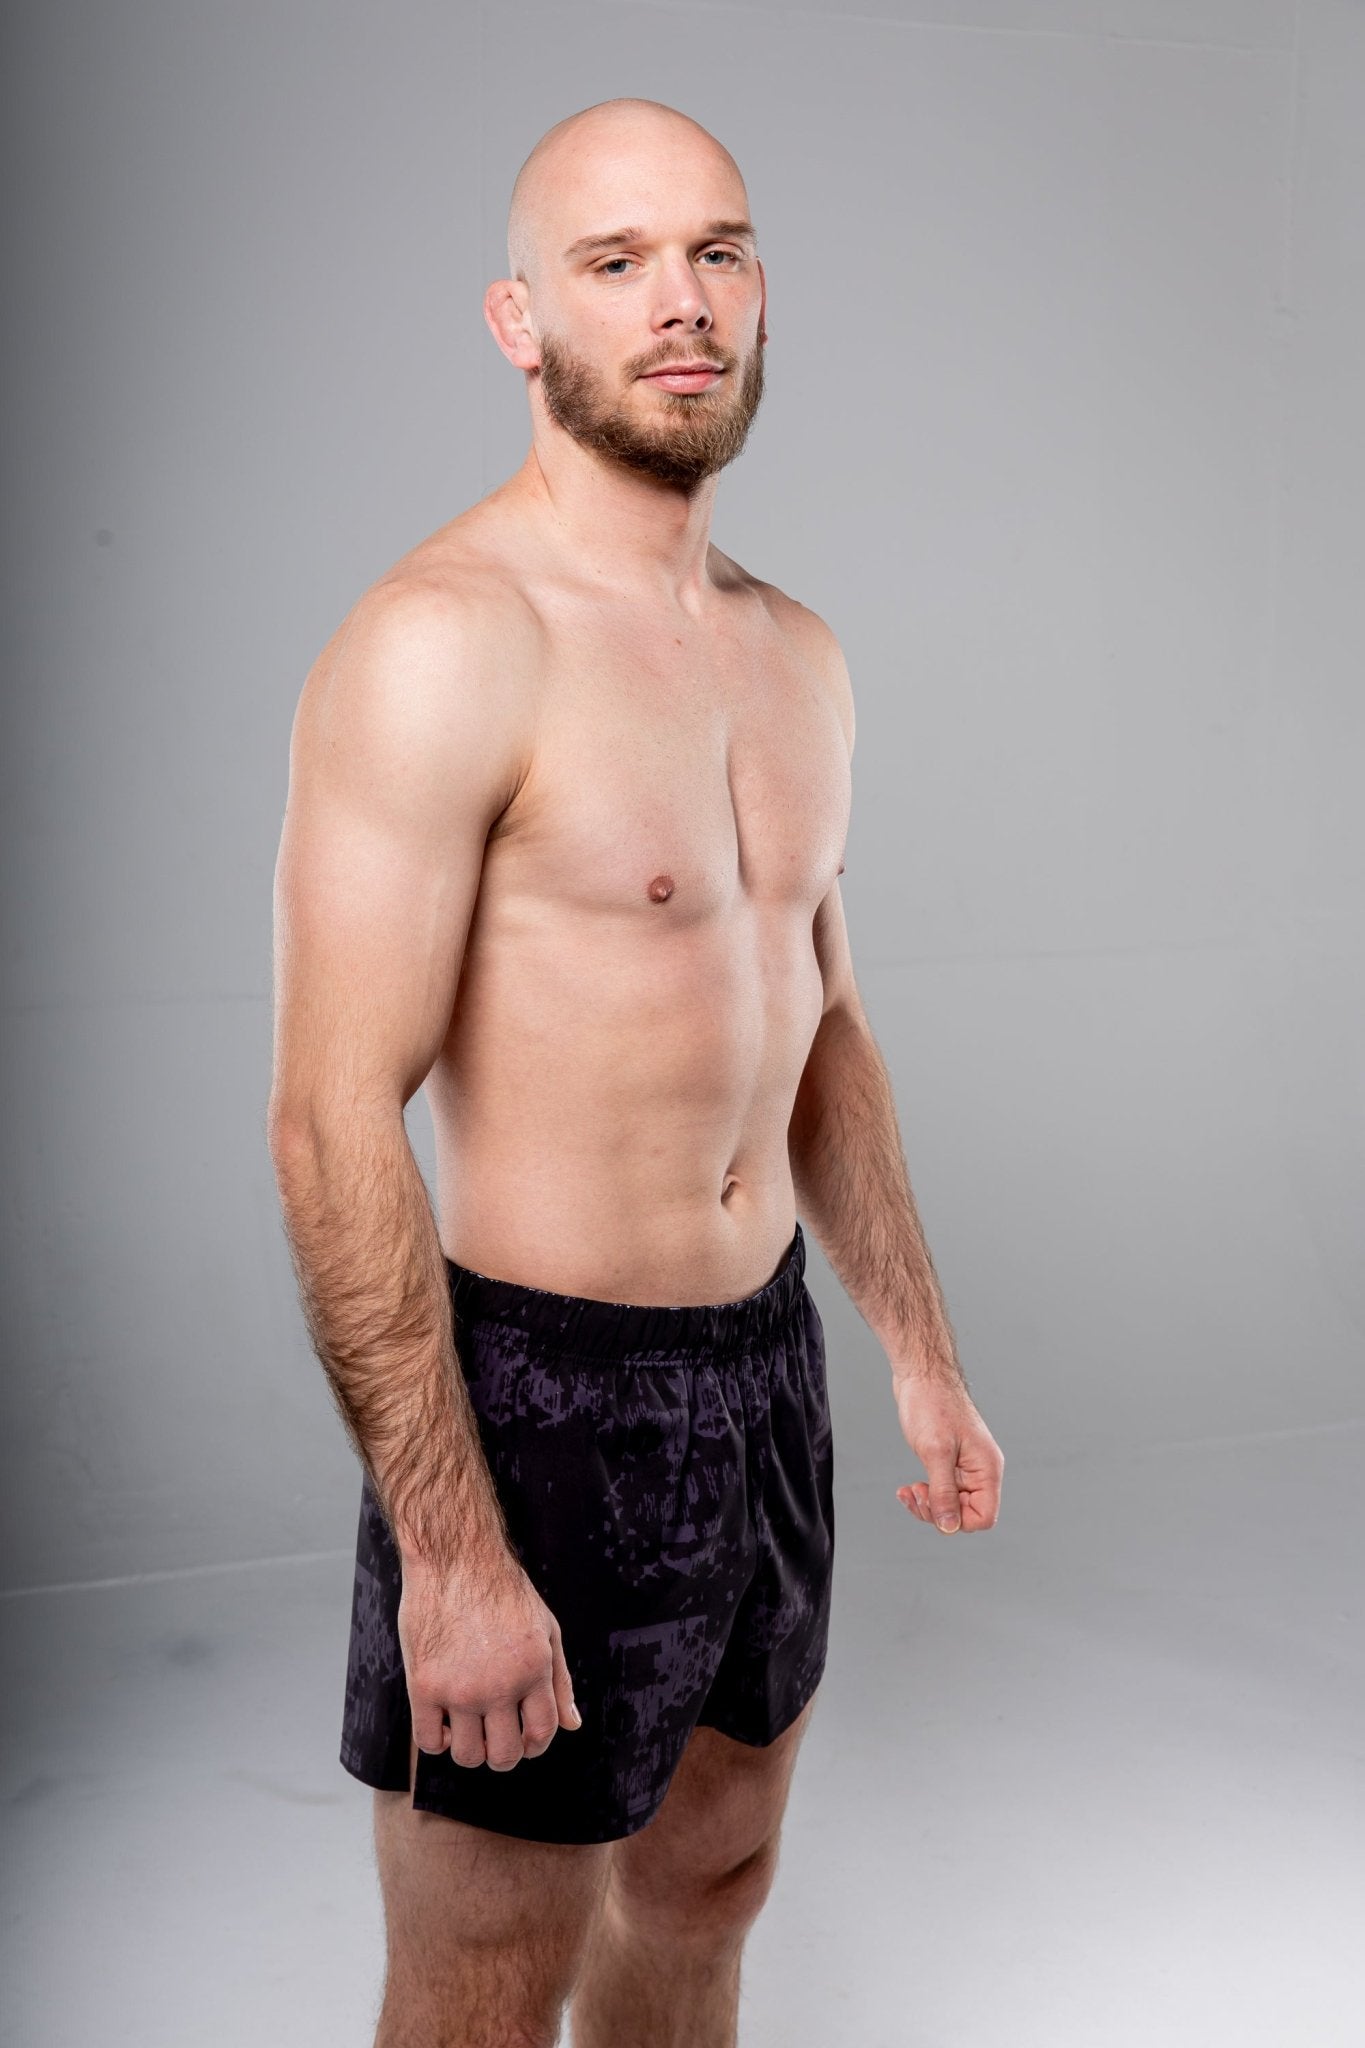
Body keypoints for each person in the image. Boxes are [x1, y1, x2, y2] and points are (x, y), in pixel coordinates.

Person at [267, 93, 1004, 2048]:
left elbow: (820, 1026)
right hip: (539, 1404)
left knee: (709, 1886)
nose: (681, 303)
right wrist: (449, 1552)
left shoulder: (797, 653)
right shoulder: (443, 643)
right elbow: (329, 1118)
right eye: (615, 263)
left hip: (763, 1368)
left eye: (716, 252)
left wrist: (916, 1351)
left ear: (759, 292)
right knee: (486, 1968)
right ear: (519, 320)